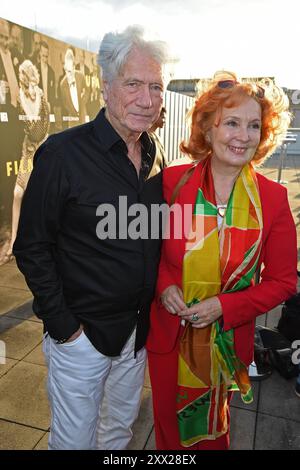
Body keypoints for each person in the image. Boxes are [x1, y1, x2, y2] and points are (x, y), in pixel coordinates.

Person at [13, 25, 171, 450]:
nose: (147, 99)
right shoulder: (63, 154)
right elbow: (31, 247)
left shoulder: (155, 156)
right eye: (133, 83)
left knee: (117, 435)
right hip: (82, 339)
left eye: (156, 86)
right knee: (75, 444)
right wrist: (66, 330)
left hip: (135, 339)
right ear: (106, 87)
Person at [146, 71, 298, 450]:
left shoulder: (273, 200)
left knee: (213, 432)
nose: (243, 135)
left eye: (253, 126)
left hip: (225, 342)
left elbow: (282, 282)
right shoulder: (173, 184)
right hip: (169, 336)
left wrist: (223, 306)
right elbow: (150, 255)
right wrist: (165, 286)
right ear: (208, 129)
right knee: (167, 427)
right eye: (231, 123)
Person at [3, 60, 49, 262]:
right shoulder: (21, 96)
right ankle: (14, 241)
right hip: (28, 150)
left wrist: (39, 145)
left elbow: (42, 129)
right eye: (25, 83)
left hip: (43, 149)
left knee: (41, 195)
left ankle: (39, 240)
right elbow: (30, 129)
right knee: (17, 192)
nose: (27, 86)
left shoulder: (42, 98)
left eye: (29, 81)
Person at [59, 48, 87, 128]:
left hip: (82, 116)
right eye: (67, 71)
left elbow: (87, 91)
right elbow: (64, 103)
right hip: (72, 119)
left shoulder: (81, 77)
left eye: (70, 71)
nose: (68, 75)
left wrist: (83, 101)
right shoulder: (62, 84)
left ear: (74, 67)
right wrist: (73, 112)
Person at [148, 106, 167, 177]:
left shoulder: (157, 137)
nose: (164, 120)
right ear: (156, 116)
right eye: (163, 117)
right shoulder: (146, 138)